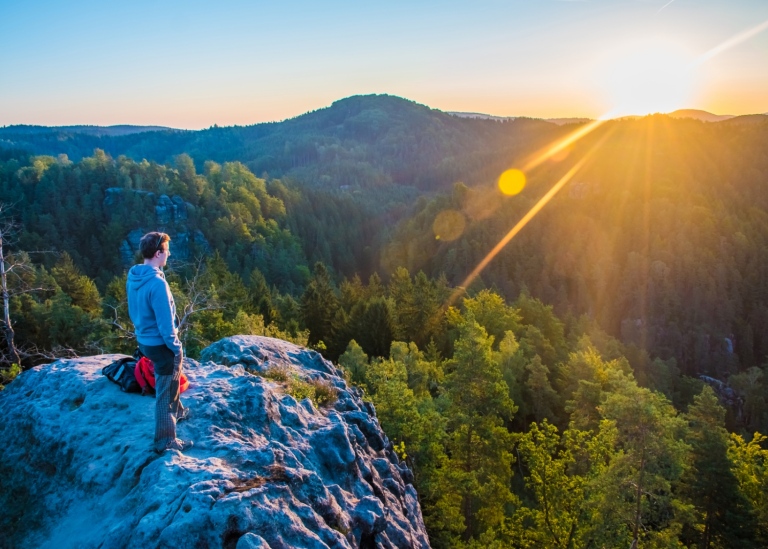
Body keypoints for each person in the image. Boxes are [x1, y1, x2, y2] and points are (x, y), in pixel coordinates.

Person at [126, 231, 192, 453]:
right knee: (166, 389)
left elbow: (133, 310)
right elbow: (166, 326)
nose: (169, 254)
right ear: (157, 254)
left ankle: (178, 410)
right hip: (160, 345)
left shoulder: (134, 275)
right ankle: (165, 441)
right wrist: (176, 347)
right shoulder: (157, 284)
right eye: (166, 250)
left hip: (144, 341)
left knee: (168, 383)